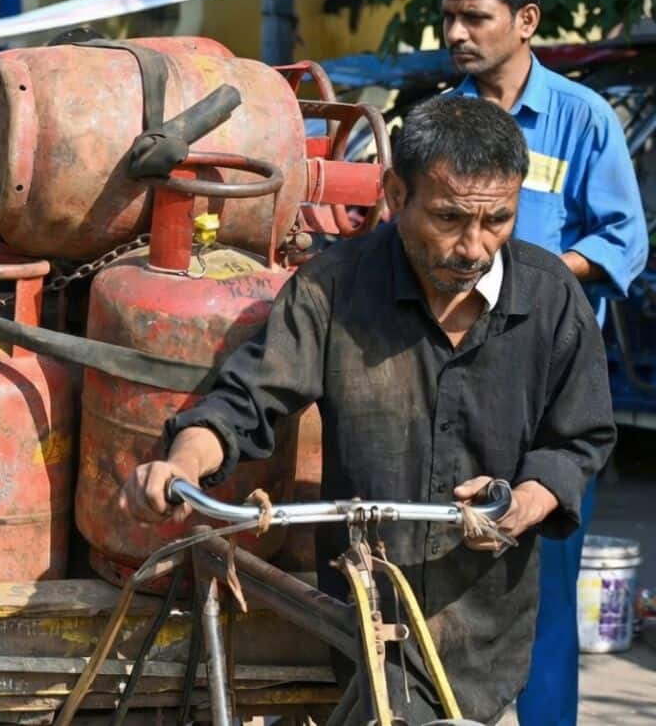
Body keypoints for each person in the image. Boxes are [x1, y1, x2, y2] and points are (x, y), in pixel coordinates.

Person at [121, 96, 615, 724]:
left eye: (498, 221)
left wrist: (528, 501)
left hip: (486, 619)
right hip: (364, 610)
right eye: (449, 218)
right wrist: (182, 464)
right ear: (394, 194)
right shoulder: (332, 289)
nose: (474, 247)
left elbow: (580, 438)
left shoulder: (550, 298)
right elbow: (248, 400)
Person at [439, 0, 648, 725]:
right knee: (446, 575)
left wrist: (523, 272)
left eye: (475, 17)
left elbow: (623, 241)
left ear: (526, 21)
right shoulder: (439, 123)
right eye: (450, 16)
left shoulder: (582, 118)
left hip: (554, 391)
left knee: (547, 591)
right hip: (450, 374)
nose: (457, 32)